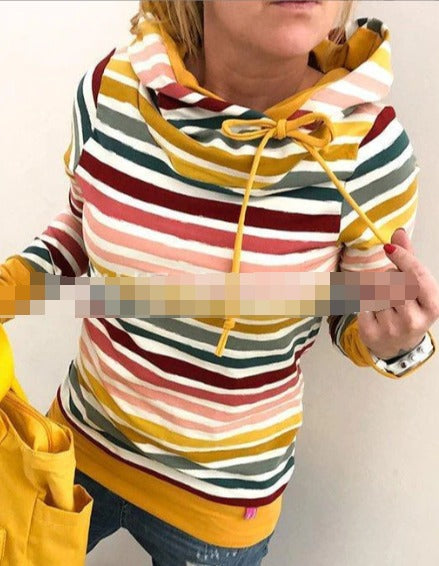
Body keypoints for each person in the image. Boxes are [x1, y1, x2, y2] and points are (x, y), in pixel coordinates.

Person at [1, 1, 438, 564]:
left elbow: (353, 314)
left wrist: (396, 341)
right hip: (79, 445)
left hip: (222, 504)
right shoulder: (112, 88)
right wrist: (11, 285)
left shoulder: (369, 149)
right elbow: (79, 232)